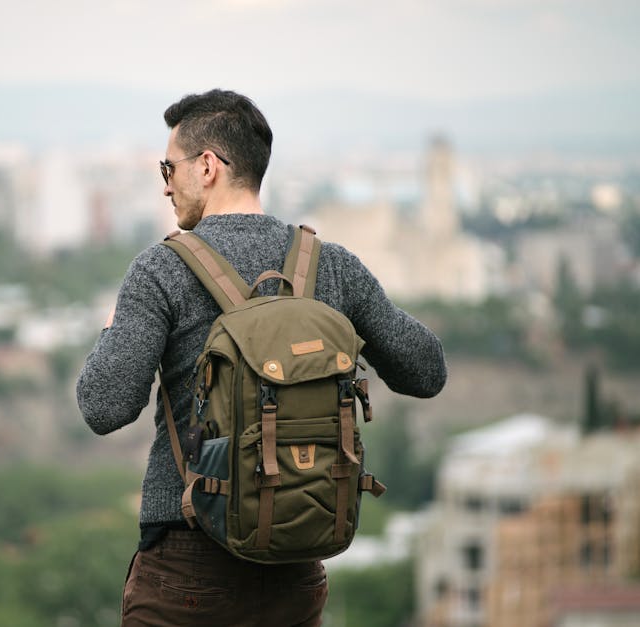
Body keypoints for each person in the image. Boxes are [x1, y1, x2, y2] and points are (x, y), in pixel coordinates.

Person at [76, 89, 447, 626]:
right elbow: (427, 371)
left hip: (188, 568)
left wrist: (112, 333)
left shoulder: (161, 270)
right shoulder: (331, 266)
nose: (164, 183)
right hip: (295, 570)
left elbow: (104, 406)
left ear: (207, 166)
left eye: (168, 166)